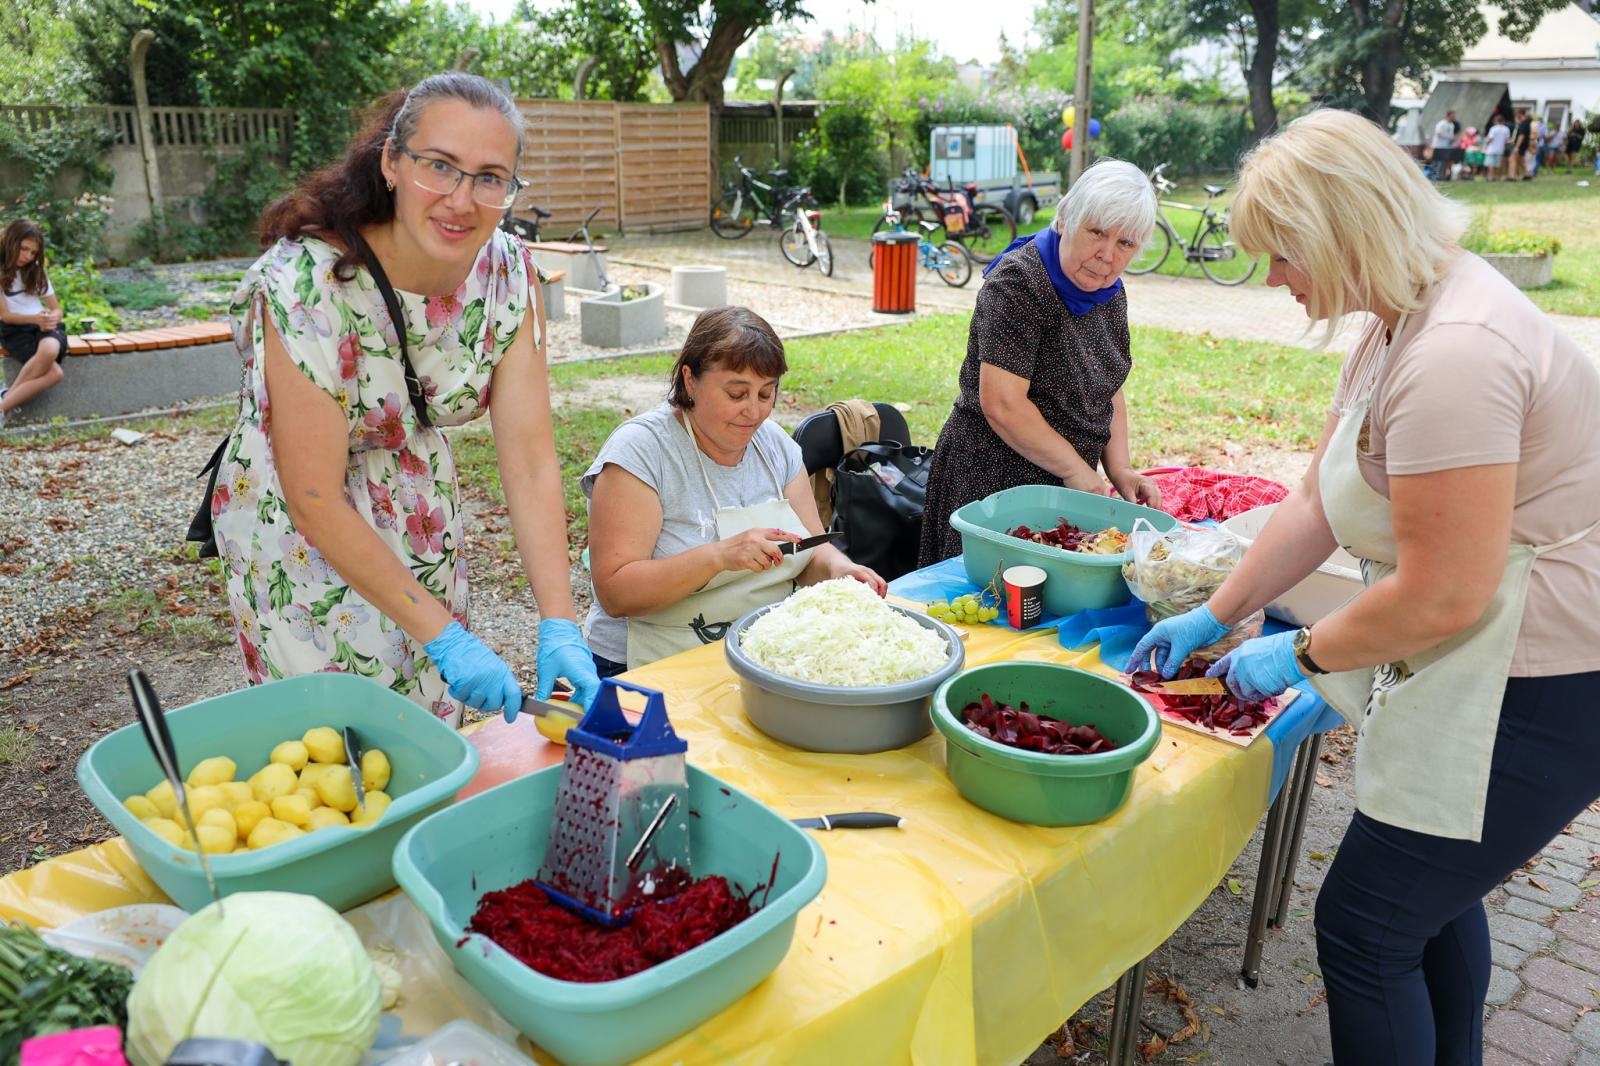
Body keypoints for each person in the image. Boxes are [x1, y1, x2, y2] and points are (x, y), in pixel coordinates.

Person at [1130, 109, 1600, 1066]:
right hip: (1472, 665)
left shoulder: (1457, 352)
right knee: (1428, 902)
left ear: (1340, 234)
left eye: (1282, 256)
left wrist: (1298, 652)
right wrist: (1215, 612)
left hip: (1544, 681)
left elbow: (1442, 596)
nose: (1274, 282)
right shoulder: (1396, 323)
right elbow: (1317, 498)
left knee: (1366, 927)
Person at [214, 72, 601, 726]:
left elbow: (532, 459)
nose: (460, 199)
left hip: (418, 513)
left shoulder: (507, 272)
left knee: (429, 729)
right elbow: (312, 494)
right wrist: (447, 637)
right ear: (391, 162)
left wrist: (559, 623)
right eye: (439, 166)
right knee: (336, 750)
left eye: (489, 177)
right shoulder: (304, 282)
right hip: (300, 533)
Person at [582, 306, 886, 673]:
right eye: (737, 393)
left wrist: (840, 569)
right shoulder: (641, 452)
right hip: (645, 664)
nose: (754, 412)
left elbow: (812, 553)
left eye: (765, 394)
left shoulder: (774, 446)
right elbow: (616, 592)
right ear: (690, 380)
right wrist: (720, 556)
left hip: (755, 651)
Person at [917, 160, 1162, 566]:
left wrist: (1121, 468)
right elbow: (1003, 403)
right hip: (995, 480)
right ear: (1065, 219)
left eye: (1125, 244)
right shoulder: (1019, 283)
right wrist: (1077, 471)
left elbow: (1108, 387)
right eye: (1096, 232)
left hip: (1066, 483)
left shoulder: (1109, 292)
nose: (1106, 255)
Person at [0, 219, 68, 429]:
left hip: (44, 326)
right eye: (23, 249)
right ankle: (4, 404)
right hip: (15, 329)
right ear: (10, 241)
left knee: (49, 349)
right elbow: (6, 316)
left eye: (33, 252)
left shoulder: (35, 269)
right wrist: (35, 319)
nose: (28, 256)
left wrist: (52, 317)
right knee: (55, 373)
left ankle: (3, 403)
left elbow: (57, 309)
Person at [1429, 110, 1459, 180]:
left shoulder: (1451, 125)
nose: (1454, 118)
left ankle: (1440, 176)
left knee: (1443, 162)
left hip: (1446, 146)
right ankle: (1433, 177)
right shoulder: (1441, 123)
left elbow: (1451, 135)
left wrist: (1452, 140)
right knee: (1436, 162)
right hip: (1438, 145)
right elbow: (1438, 133)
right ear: (1448, 116)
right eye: (1452, 116)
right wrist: (1449, 137)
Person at [1480, 114, 1510, 181]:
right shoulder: (1506, 129)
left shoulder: (1493, 128)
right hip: (1501, 149)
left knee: (1491, 164)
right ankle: (1495, 176)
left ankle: (1490, 176)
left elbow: (1490, 139)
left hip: (1492, 148)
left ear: (1496, 121)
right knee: (1497, 164)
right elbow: (1507, 140)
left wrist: (1485, 143)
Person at [1509, 109, 1531, 181]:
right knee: (1520, 160)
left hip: (1520, 145)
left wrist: (1517, 146)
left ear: (1520, 114)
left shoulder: (1524, 123)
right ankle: (1527, 174)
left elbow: (1522, 135)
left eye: (1516, 114)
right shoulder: (1525, 123)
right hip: (1523, 144)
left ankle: (1512, 176)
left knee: (1512, 159)